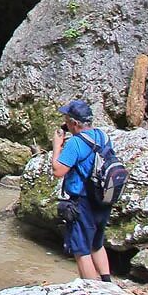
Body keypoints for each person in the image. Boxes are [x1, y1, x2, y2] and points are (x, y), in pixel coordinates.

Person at [52, 99, 113, 282]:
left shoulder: (75, 143)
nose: (65, 123)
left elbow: (58, 171)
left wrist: (57, 147)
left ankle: (93, 291)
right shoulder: (102, 136)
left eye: (67, 120)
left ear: (74, 123)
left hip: (83, 202)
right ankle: (107, 283)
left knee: (81, 250)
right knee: (96, 244)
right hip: (103, 198)